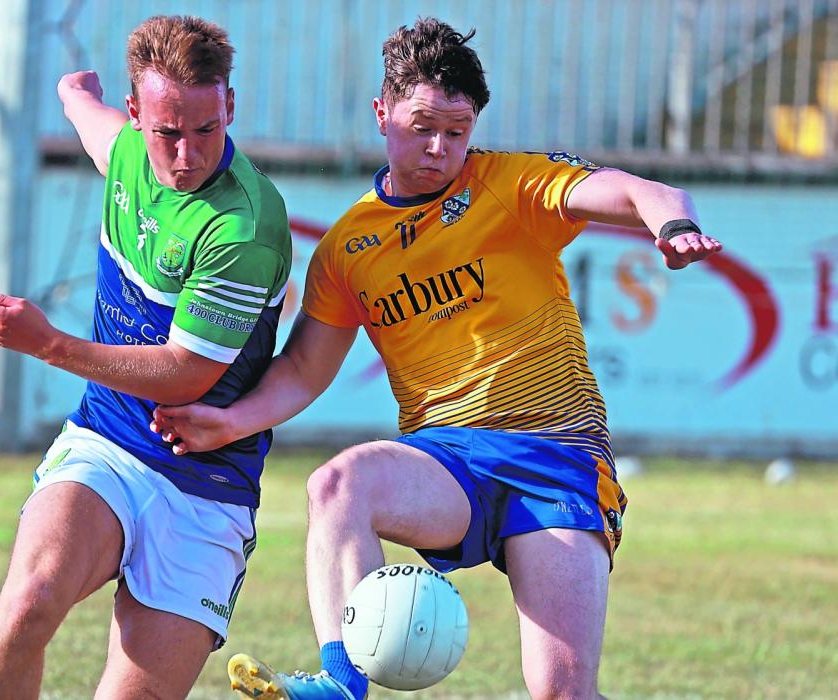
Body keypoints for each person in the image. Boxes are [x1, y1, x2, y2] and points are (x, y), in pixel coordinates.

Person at [151, 18, 722, 700]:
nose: (439, 148)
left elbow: (641, 192)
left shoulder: (510, 185)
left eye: (457, 131)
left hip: (558, 456)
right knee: (339, 485)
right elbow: (304, 369)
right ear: (381, 113)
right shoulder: (349, 249)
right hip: (450, 463)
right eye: (422, 126)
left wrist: (673, 225)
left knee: (563, 692)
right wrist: (230, 422)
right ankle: (342, 684)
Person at [0, 15, 291, 699]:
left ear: (230, 105)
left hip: (206, 488)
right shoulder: (127, 149)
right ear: (136, 115)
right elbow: (88, 117)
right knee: (28, 603)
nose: (188, 153)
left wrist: (48, 344)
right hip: (106, 442)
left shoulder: (244, 226)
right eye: (167, 132)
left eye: (206, 129)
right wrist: (75, 88)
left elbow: (187, 372)